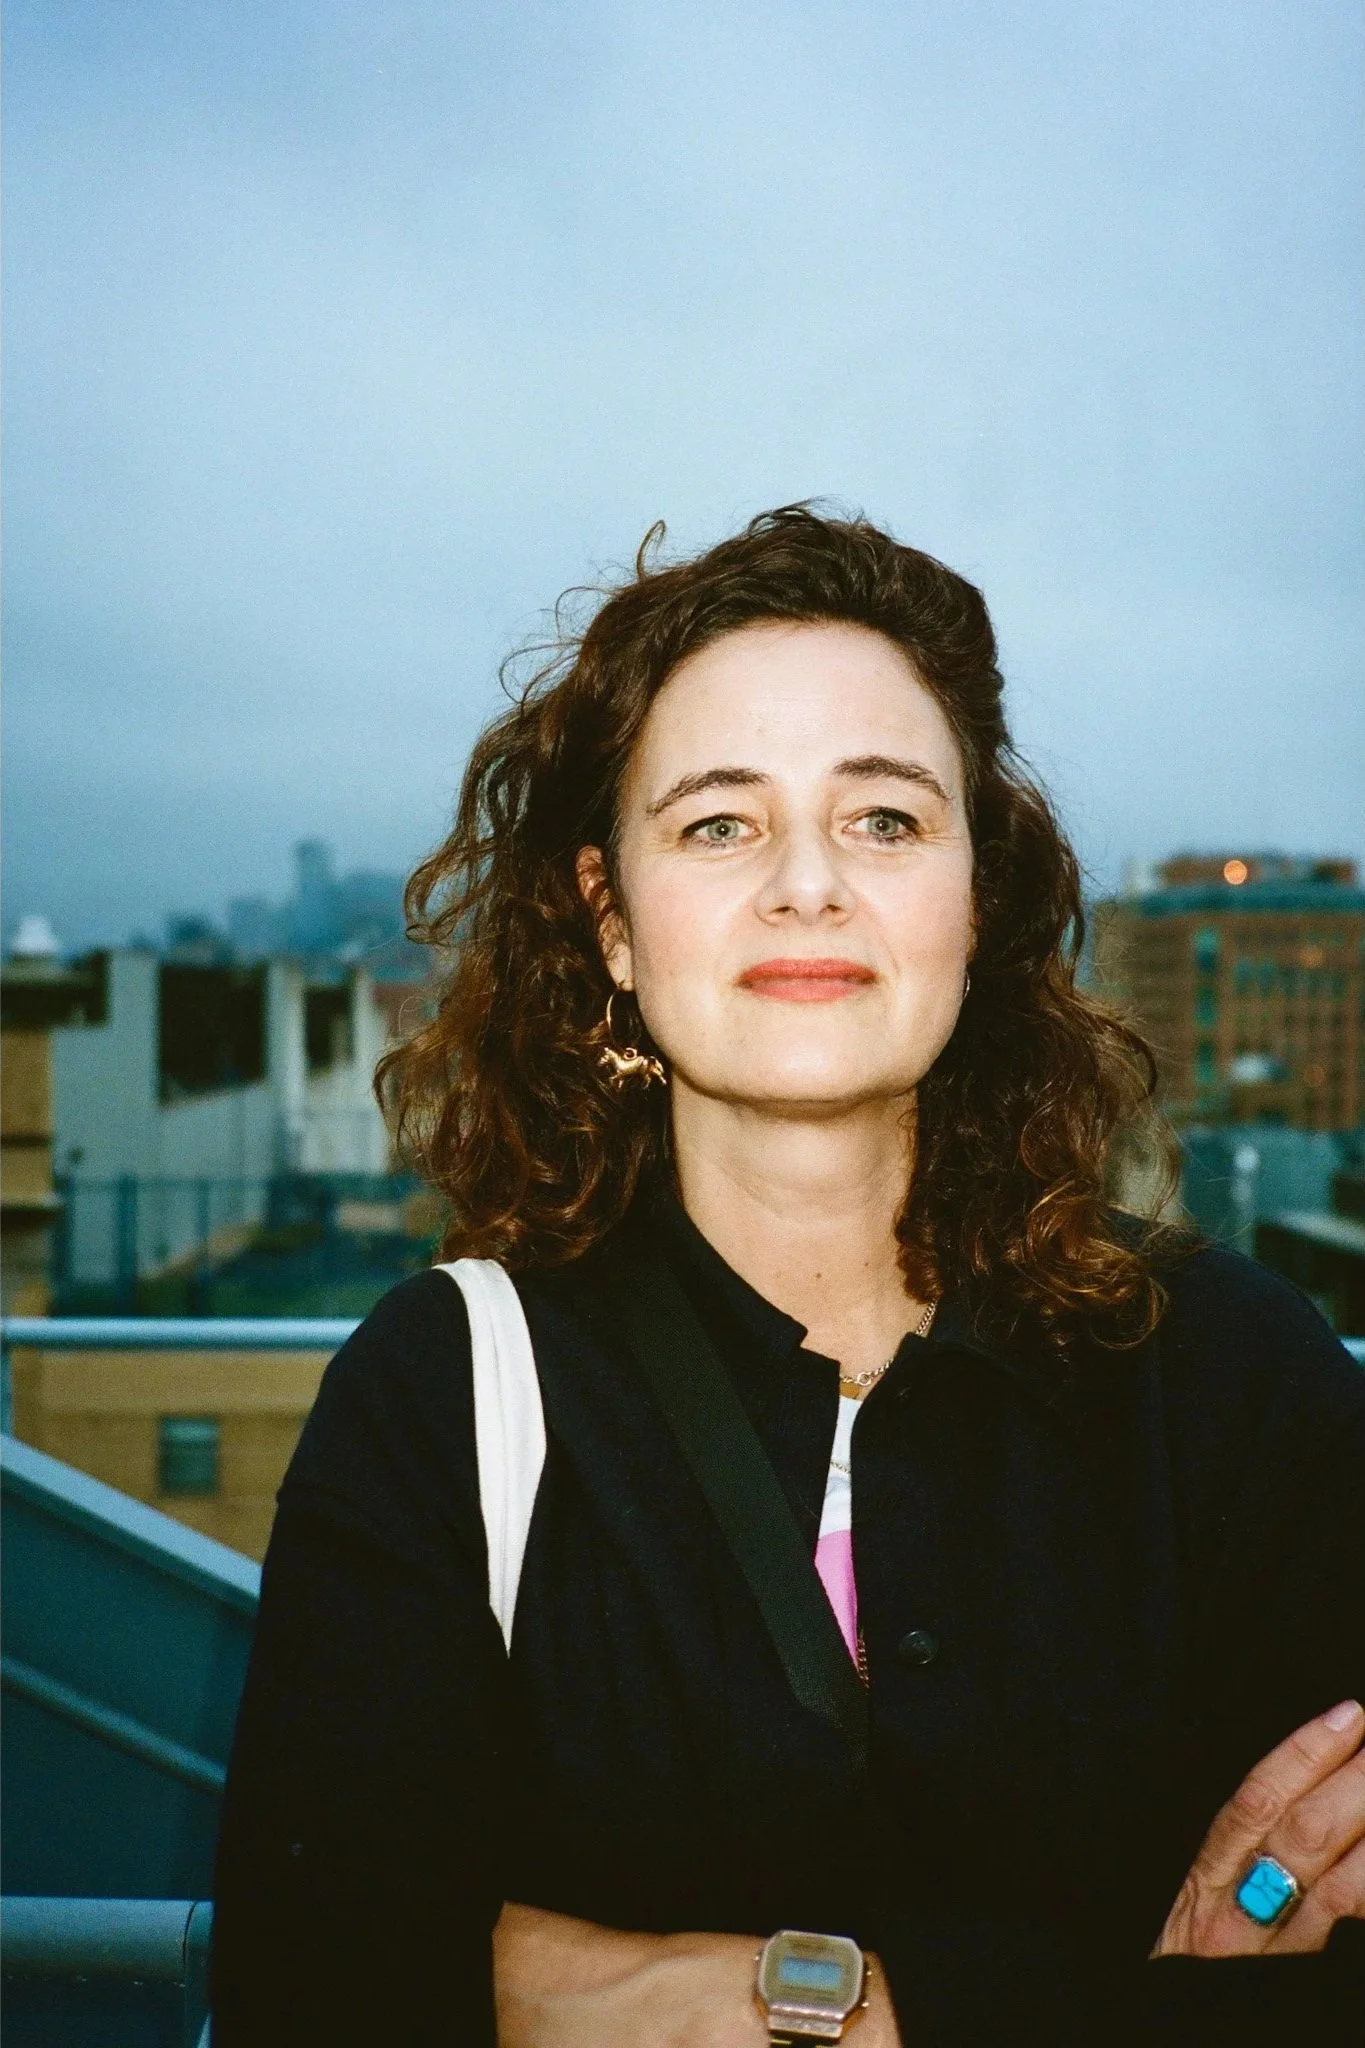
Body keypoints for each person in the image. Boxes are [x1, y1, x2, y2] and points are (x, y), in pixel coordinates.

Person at [211, 507, 1364, 2046]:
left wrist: (802, 2011)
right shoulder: (443, 1398)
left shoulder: (1229, 1375)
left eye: (885, 819)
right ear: (612, 923)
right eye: (719, 824)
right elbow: (311, 1994)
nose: (809, 884)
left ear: (978, 899)